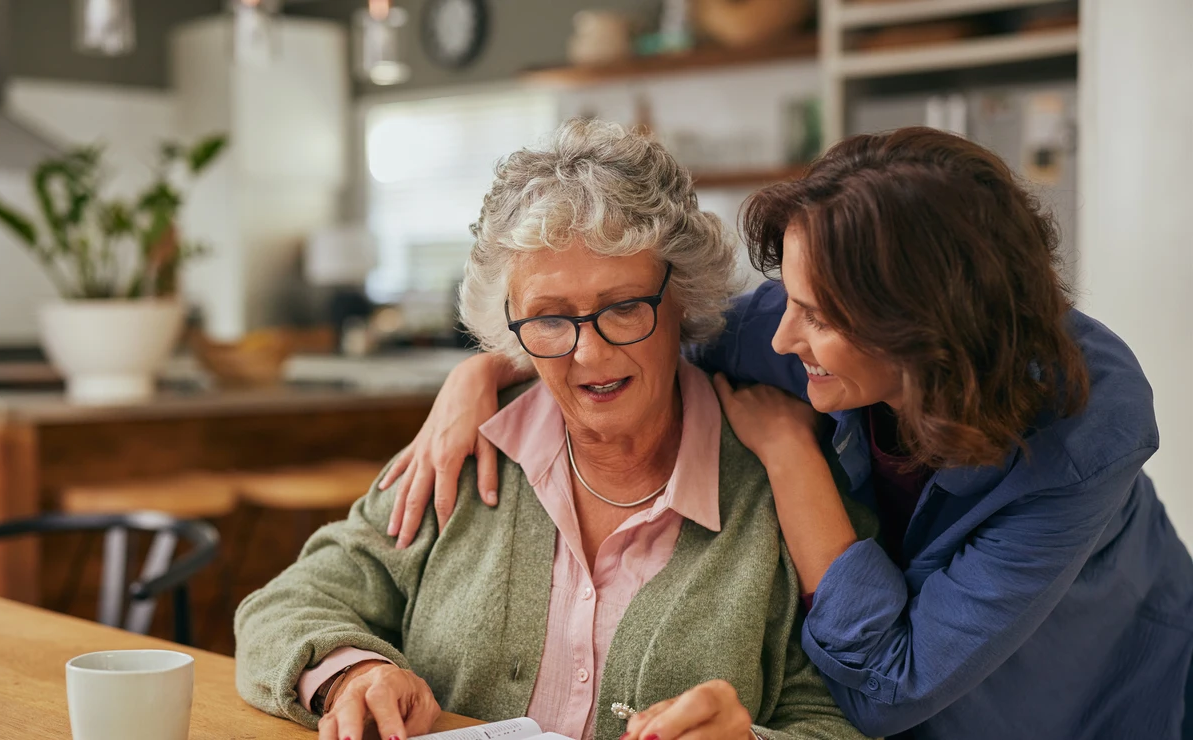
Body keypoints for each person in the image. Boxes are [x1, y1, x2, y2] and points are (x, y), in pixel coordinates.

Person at [380, 126, 1193, 740]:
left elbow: (890, 682)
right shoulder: (800, 321)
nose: (779, 336)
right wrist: (484, 374)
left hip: (1080, 695)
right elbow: (635, 330)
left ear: (918, 333)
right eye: (789, 296)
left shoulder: (1084, 437)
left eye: (815, 316)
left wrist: (787, 451)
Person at [235, 119, 869, 740]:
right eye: (547, 318)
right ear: (506, 325)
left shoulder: (786, 487)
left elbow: (844, 721)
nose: (588, 354)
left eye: (623, 307)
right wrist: (354, 675)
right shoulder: (458, 454)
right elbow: (284, 607)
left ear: (684, 297)